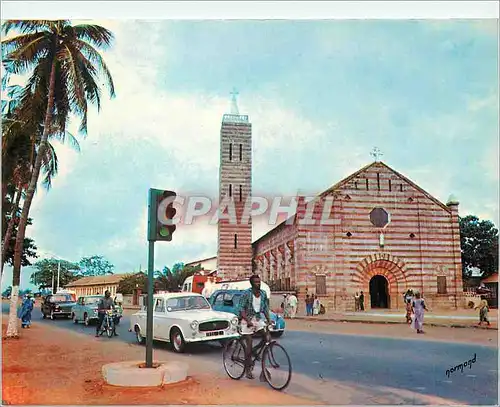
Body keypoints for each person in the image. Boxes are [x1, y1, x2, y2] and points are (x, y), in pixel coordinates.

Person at [238, 275, 272, 380]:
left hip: (257, 319)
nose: (258, 283)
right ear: (252, 284)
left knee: (267, 337)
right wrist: (248, 321)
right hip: (246, 319)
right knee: (249, 344)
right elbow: (241, 308)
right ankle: (247, 369)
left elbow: (265, 308)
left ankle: (254, 351)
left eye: (259, 282)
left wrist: (269, 320)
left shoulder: (263, 293)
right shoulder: (246, 294)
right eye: (256, 282)